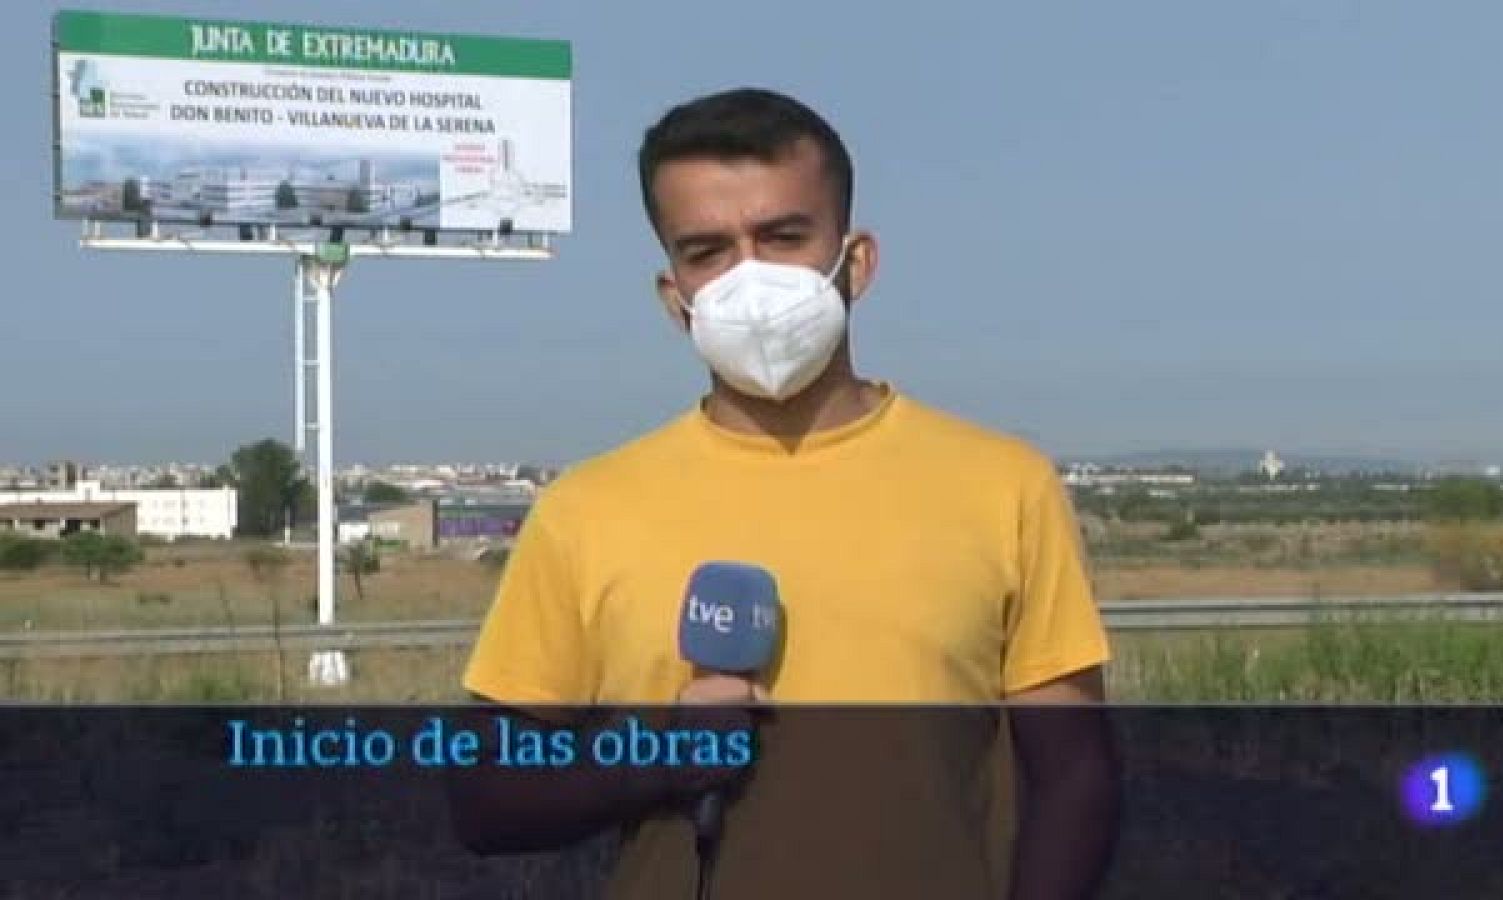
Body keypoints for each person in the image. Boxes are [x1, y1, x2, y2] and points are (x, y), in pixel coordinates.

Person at [454, 87, 1118, 899]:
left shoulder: (1006, 485)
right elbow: (484, 799)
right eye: (708, 251)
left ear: (857, 261)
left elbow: (1074, 782)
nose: (749, 278)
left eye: (783, 237)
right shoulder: (585, 512)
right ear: (676, 298)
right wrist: (652, 761)